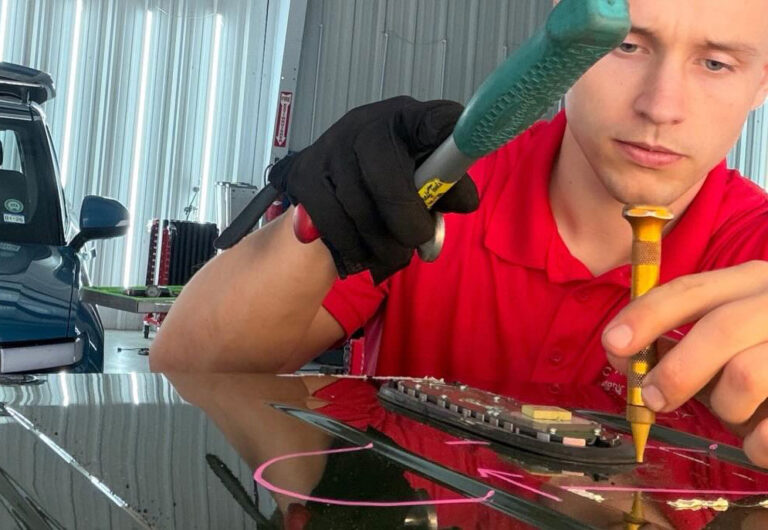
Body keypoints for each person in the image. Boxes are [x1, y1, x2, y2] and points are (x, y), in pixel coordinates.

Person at [150, 0, 768, 468]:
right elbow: (189, 372)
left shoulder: (757, 252)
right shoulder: (437, 189)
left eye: (716, 63)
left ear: (762, 81)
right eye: (627, 46)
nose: (661, 106)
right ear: (563, 38)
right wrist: (317, 219)